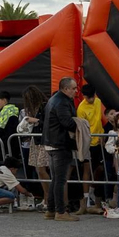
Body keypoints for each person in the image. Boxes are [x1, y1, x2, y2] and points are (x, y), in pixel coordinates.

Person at [42, 76, 80, 222]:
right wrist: (80, 123)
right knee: (60, 180)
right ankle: (60, 211)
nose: (76, 91)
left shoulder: (54, 100)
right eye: (73, 88)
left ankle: (51, 210)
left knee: (55, 179)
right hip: (60, 144)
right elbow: (67, 122)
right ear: (65, 89)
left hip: (51, 143)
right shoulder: (62, 102)